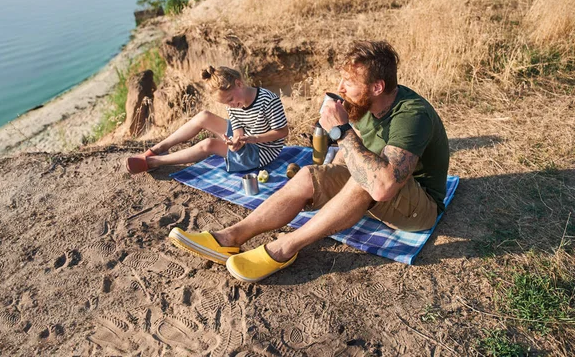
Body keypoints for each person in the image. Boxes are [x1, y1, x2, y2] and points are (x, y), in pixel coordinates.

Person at [169, 41, 450, 283]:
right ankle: (228, 238)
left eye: (349, 83)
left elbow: (382, 188)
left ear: (377, 87)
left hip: (419, 207)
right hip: (382, 186)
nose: (341, 88)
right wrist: (323, 178)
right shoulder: (366, 104)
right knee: (308, 174)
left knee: (363, 180)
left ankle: (284, 248)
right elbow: (355, 150)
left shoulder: (411, 116)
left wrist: (340, 131)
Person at [126, 66, 289, 174]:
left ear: (239, 83)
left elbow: (282, 131)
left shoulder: (268, 100)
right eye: (226, 103)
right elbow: (238, 128)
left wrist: (255, 139)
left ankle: (154, 162)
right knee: (203, 116)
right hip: (248, 139)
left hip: (262, 152)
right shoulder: (232, 104)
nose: (231, 105)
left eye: (231, 99)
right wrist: (235, 142)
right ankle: (157, 148)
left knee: (208, 144)